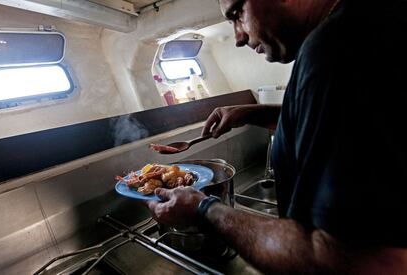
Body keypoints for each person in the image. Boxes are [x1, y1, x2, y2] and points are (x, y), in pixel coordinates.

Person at [148, 0, 407, 273]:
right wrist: (250, 114)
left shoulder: (333, 48)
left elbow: (353, 262)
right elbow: (332, 119)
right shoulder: (370, 24)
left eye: (238, 13)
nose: (238, 36)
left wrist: (203, 209)